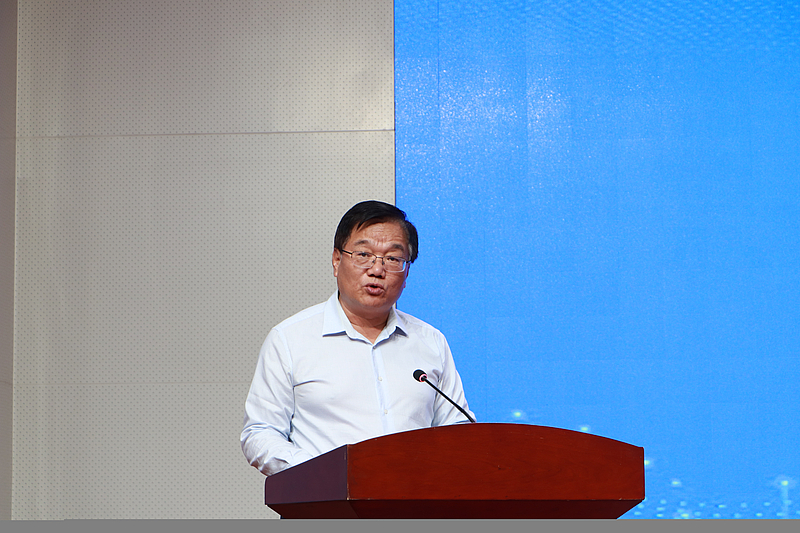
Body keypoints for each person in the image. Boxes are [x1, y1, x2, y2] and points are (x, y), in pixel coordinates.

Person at [241, 200, 474, 476]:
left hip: (411, 499)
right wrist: (323, 472)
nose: (377, 270)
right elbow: (260, 432)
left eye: (393, 259)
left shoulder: (430, 342)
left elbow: (457, 432)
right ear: (336, 260)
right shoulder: (290, 339)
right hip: (327, 498)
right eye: (364, 254)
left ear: (407, 272)